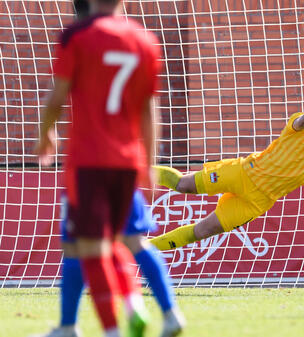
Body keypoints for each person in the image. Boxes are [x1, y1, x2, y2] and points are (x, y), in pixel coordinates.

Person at [33, 2, 185, 337]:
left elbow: (57, 96)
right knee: (124, 241)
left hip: (88, 162)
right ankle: (152, 310)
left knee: (88, 247)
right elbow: (149, 108)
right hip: (128, 162)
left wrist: (46, 131)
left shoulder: (78, 36)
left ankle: (115, 324)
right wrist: (146, 162)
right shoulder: (145, 39)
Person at [150, 83, 304, 251]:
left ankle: (142, 249)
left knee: (202, 231)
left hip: (258, 200)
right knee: (183, 184)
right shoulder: (298, 122)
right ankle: (135, 172)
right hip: (243, 172)